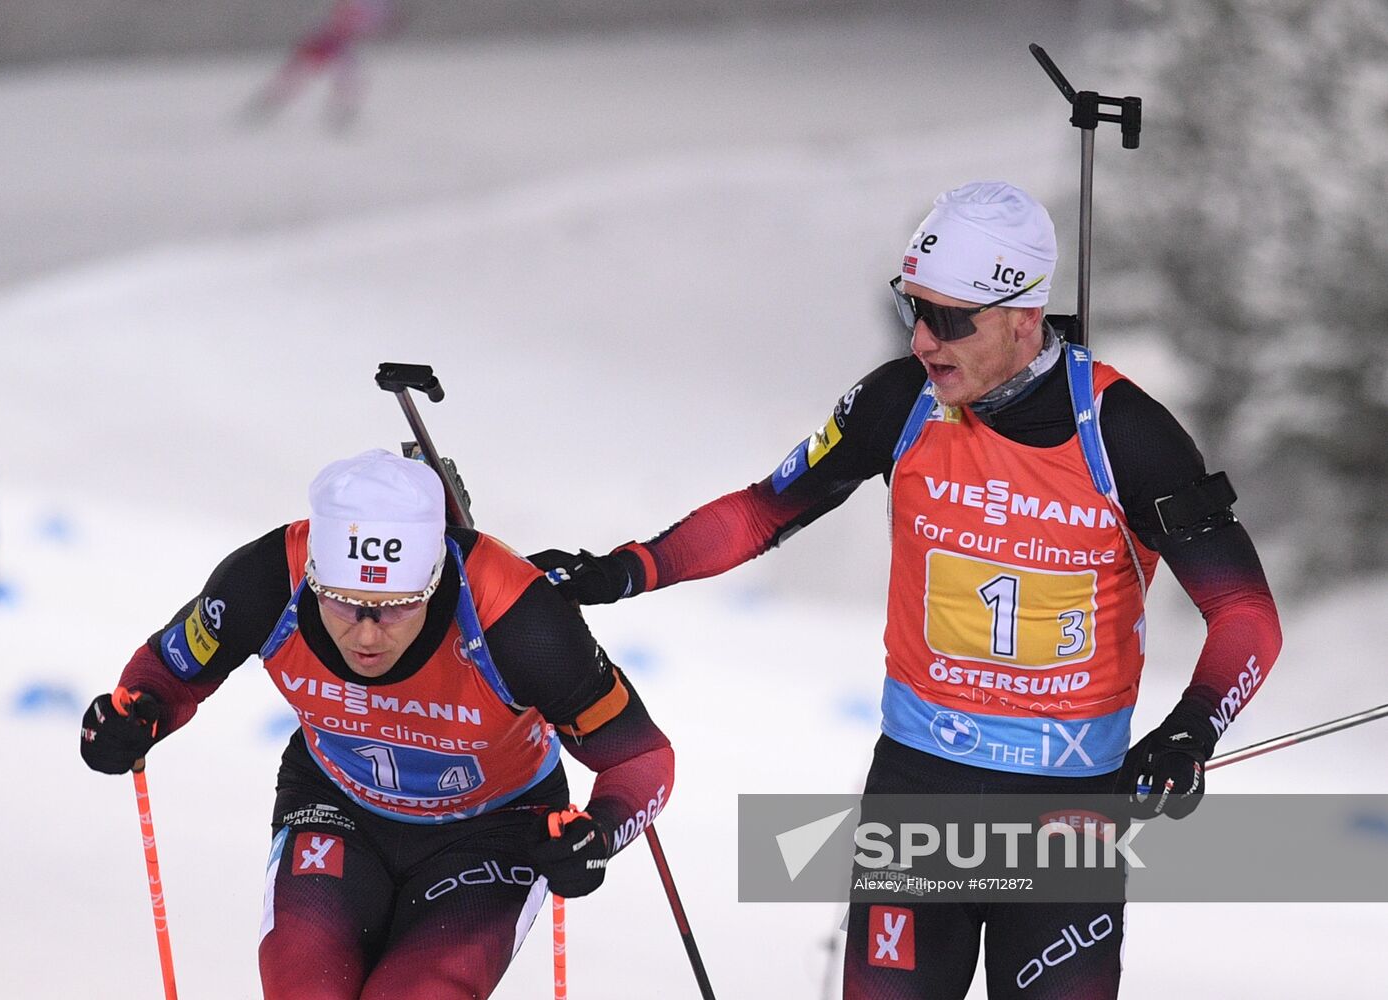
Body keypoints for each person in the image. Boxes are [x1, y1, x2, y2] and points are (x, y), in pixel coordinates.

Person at [531, 181, 1282, 998]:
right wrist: (618, 571)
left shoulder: (1125, 433)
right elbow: (758, 513)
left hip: (1067, 813)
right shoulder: (899, 403)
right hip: (918, 793)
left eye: (950, 319)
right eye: (911, 310)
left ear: (1023, 315)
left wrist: (1191, 731)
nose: (923, 340)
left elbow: (1244, 613)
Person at [81, 449, 673, 1000]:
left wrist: (600, 832)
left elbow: (640, 757)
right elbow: (169, 672)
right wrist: (133, 716)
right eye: (340, 602)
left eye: (396, 608)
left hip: (493, 828)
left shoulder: (517, 617)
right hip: (337, 803)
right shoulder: (266, 580)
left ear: (436, 581)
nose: (366, 634)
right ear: (313, 572)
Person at [242, 0, 396, 128]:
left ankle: (343, 113)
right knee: (300, 73)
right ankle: (267, 103)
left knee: (345, 76)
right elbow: (344, 20)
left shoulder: (377, 7)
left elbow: (358, 22)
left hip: (337, 43)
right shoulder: (369, 8)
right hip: (328, 41)